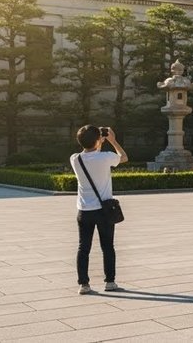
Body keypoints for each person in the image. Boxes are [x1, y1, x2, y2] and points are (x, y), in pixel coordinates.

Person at [71, 124, 128, 295]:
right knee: (107, 247)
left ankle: (84, 284)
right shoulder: (106, 157)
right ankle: (110, 282)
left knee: (83, 248)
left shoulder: (75, 159)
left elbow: (92, 156)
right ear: (98, 140)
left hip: (84, 211)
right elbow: (124, 157)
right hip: (103, 211)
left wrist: (98, 142)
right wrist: (113, 141)